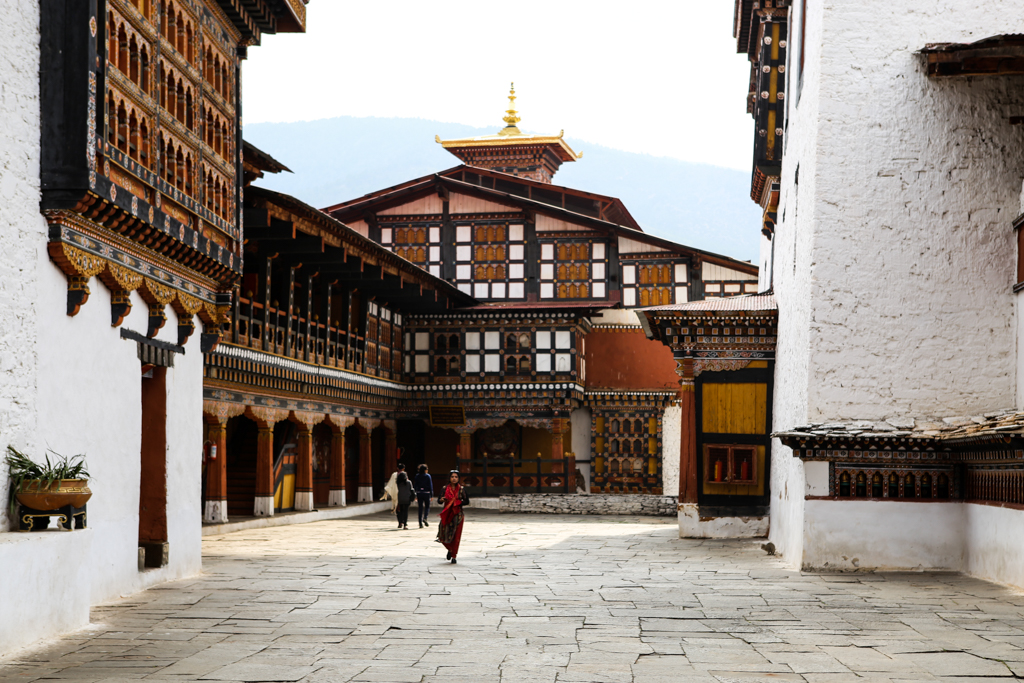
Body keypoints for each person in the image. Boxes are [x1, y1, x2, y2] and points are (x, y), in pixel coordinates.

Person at [435, 470, 469, 563]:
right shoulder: (444, 488)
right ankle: (450, 549)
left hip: (458, 515)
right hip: (447, 514)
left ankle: (454, 555)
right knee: (442, 534)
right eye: (452, 477)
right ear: (449, 478)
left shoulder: (461, 489)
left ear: (458, 478)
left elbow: (466, 501)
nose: (454, 479)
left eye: (456, 477)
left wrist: (458, 502)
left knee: (456, 536)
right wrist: (442, 500)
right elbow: (439, 500)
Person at [414, 464, 433, 528]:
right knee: (427, 506)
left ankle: (420, 523)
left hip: (419, 492)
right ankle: (425, 517)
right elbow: (430, 486)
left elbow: (415, 485)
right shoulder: (428, 476)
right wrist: (431, 495)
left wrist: (415, 494)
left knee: (420, 508)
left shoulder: (417, 476)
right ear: (425, 470)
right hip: (426, 493)